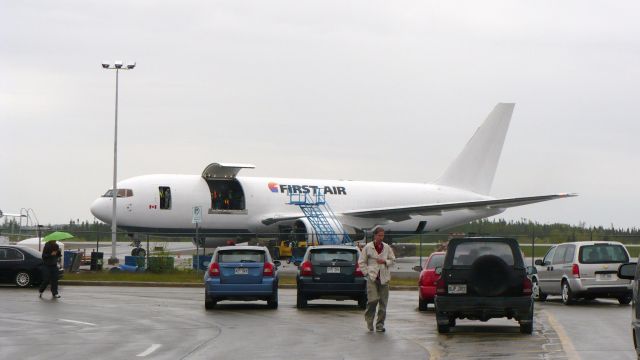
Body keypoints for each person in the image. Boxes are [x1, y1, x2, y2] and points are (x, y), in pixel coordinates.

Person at [358, 227, 396, 332]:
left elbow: (393, 260)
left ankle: (380, 325)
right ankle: (369, 320)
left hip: (384, 278)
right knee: (373, 300)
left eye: (382, 235)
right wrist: (366, 273)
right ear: (375, 236)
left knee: (383, 304)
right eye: (379, 235)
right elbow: (361, 262)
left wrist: (384, 261)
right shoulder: (368, 247)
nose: (381, 237)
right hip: (372, 278)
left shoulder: (387, 247)